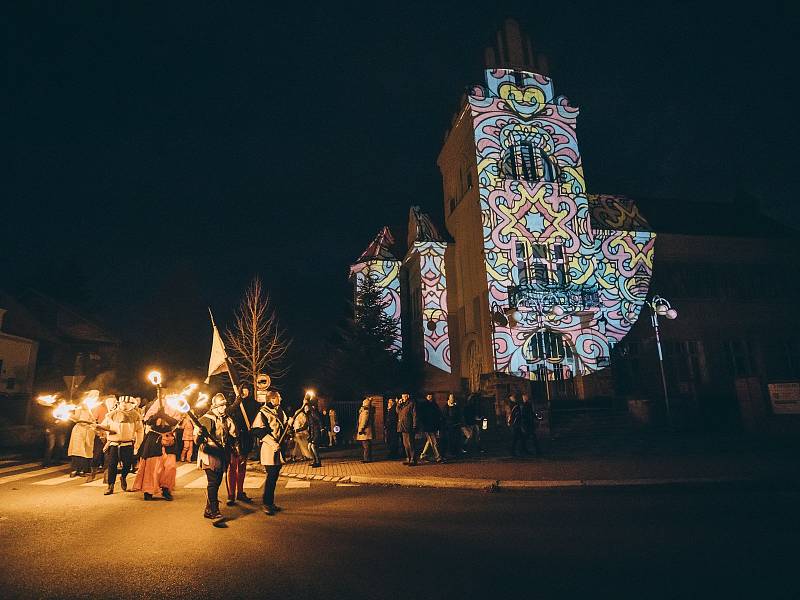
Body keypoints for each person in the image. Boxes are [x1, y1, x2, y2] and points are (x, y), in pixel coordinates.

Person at [196, 393, 237, 519]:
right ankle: (215, 511)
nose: (224, 408)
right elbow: (197, 441)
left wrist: (233, 449)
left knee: (217, 482)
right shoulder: (206, 419)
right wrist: (200, 435)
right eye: (221, 405)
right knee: (213, 483)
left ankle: (208, 509)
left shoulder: (225, 418)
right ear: (215, 406)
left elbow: (231, 435)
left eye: (224, 405)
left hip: (221, 453)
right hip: (209, 454)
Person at [133, 394, 179, 501]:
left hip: (168, 437)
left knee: (170, 466)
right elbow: (148, 421)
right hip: (154, 437)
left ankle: (166, 489)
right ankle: (148, 490)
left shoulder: (176, 406)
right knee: (152, 466)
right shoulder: (154, 405)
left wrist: (165, 416)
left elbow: (175, 422)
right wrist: (158, 414)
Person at [251, 390, 290, 516]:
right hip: (269, 448)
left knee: (274, 477)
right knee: (271, 477)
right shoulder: (263, 412)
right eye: (278, 397)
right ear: (272, 399)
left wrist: (289, 424)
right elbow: (257, 430)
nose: (281, 398)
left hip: (278, 449)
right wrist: (272, 443)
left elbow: (283, 427)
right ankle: (266, 503)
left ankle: (270, 502)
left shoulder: (280, 411)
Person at [101, 395, 144, 495]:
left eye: (127, 403)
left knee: (127, 465)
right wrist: (98, 427)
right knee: (112, 465)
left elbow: (140, 430)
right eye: (122, 403)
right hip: (114, 444)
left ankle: (123, 477)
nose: (124, 404)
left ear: (132, 404)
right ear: (119, 403)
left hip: (127, 444)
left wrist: (138, 444)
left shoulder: (136, 415)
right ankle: (110, 486)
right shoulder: (111, 414)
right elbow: (104, 425)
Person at [226, 385, 254, 505]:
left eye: (247, 389)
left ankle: (240, 492)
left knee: (242, 467)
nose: (245, 392)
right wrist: (238, 401)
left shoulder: (252, 404)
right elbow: (228, 412)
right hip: (233, 440)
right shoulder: (232, 403)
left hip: (245, 439)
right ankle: (231, 495)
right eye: (243, 390)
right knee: (232, 467)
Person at [67, 399, 97, 479]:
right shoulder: (79, 408)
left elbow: (94, 419)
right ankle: (75, 469)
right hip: (79, 430)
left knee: (87, 450)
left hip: (89, 430)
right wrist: (68, 415)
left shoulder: (92, 408)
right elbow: (76, 418)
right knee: (77, 450)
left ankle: (84, 469)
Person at [418, 394, 444, 463]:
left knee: (429, 441)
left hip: (433, 426)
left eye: (431, 396)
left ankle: (422, 455)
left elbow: (438, 414)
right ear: (426, 397)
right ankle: (438, 457)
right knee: (434, 442)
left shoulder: (434, 405)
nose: (430, 398)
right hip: (427, 427)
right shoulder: (424, 405)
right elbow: (422, 416)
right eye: (429, 396)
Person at [396, 393, 417, 466]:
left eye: (404, 396)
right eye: (402, 397)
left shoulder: (411, 404)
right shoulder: (403, 405)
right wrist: (398, 404)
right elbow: (398, 412)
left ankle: (413, 460)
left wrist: (414, 425)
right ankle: (408, 458)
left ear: (408, 396)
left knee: (410, 444)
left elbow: (415, 415)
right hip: (402, 427)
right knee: (405, 444)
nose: (403, 398)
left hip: (409, 427)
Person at [304, 396, 323, 467]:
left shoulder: (313, 413)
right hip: (312, 434)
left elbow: (319, 420)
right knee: (309, 446)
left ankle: (318, 462)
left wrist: (321, 429)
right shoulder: (308, 416)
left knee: (313, 446)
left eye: (306, 408)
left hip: (316, 432)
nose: (305, 409)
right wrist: (297, 430)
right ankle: (314, 460)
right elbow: (305, 425)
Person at [356, 397, 375, 462]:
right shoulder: (366, 410)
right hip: (366, 430)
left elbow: (364, 421)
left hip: (365, 431)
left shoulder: (366, 411)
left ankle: (367, 459)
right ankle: (367, 458)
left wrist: (361, 429)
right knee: (367, 445)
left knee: (366, 445)